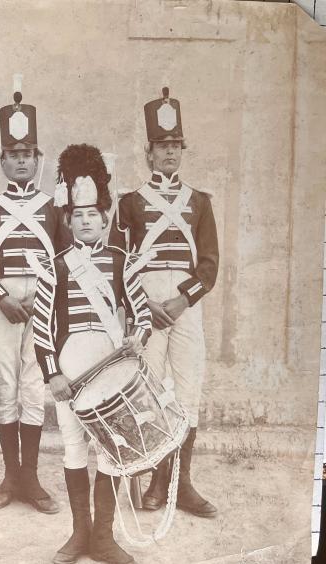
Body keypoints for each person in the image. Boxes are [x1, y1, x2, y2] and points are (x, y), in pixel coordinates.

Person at [32, 143, 152, 564]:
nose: (85, 222)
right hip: (71, 372)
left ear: (105, 220)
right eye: (78, 216)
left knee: (112, 449)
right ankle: (79, 531)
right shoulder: (55, 266)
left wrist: (138, 341)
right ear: (69, 221)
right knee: (73, 447)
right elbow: (42, 328)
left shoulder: (123, 263)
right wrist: (52, 376)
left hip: (112, 370)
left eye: (93, 216)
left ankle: (103, 536)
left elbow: (142, 317)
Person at [109, 87, 219, 518]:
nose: (169, 153)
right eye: (162, 147)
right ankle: (155, 477)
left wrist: (179, 302)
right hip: (145, 306)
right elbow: (119, 265)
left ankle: (181, 483)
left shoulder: (200, 202)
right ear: (148, 153)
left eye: (175, 146)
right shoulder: (130, 203)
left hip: (186, 306)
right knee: (148, 392)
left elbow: (208, 267)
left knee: (187, 390)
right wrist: (144, 304)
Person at [0, 75, 69, 514]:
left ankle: (30, 478)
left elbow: (66, 262)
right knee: (6, 386)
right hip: (2, 306)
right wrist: (0, 297)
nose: (20, 162)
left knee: (35, 386)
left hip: (43, 306)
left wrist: (42, 299)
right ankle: (10, 477)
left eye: (27, 154)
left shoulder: (54, 209)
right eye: (13, 155)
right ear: (2, 160)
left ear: (38, 158)